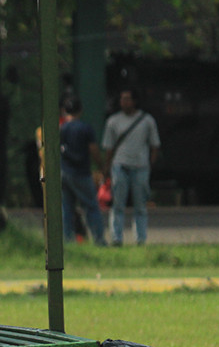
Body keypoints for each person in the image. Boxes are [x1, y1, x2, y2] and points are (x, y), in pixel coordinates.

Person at [101, 88, 161, 246]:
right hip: (120, 166)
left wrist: (150, 164)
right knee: (117, 204)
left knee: (140, 206)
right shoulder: (113, 121)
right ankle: (116, 238)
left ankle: (140, 239)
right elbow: (109, 148)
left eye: (127, 99)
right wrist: (106, 167)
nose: (124, 102)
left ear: (135, 101)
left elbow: (155, 145)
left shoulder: (147, 120)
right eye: (122, 99)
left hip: (140, 167)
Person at [58, 96, 106, 245]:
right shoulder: (85, 128)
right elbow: (93, 149)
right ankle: (99, 240)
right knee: (91, 206)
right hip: (81, 172)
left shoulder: (61, 128)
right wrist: (101, 165)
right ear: (80, 111)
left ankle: (67, 240)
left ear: (65, 111)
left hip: (64, 172)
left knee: (66, 208)